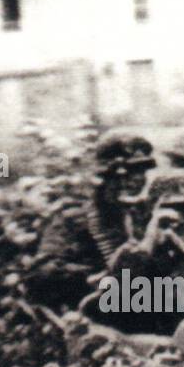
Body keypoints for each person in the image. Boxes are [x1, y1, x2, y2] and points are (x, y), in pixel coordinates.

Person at [28, 130, 156, 309]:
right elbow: (41, 274)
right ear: (102, 179)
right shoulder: (75, 218)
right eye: (120, 176)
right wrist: (92, 277)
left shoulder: (149, 217)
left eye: (139, 172)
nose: (132, 181)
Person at [94, 170, 184, 335]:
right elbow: (109, 304)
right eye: (172, 210)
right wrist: (150, 239)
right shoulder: (133, 256)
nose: (181, 220)